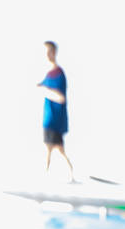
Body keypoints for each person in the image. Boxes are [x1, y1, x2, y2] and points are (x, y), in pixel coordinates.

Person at [38, 41, 73, 181]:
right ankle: (49, 175)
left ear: (53, 53)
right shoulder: (48, 74)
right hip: (48, 117)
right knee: (52, 149)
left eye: (48, 52)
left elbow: (61, 98)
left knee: (55, 149)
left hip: (54, 119)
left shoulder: (58, 74)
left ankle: (69, 174)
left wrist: (44, 90)